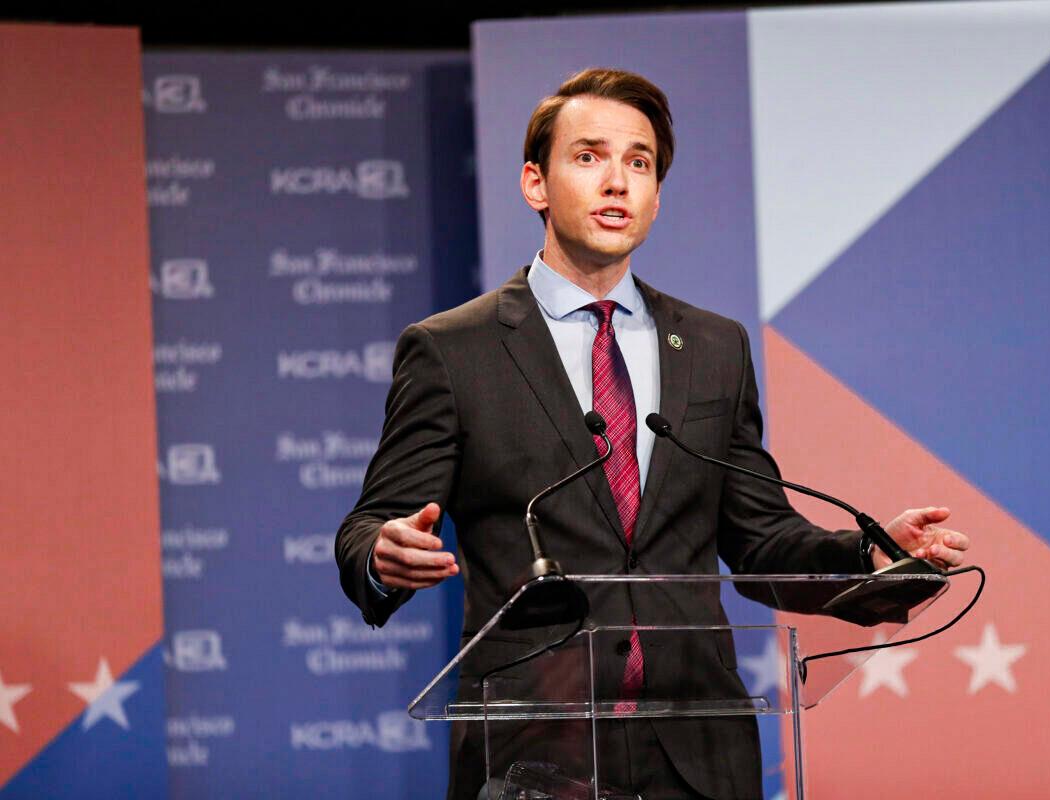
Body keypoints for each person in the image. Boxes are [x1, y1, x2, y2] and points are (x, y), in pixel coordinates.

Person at [336, 67, 970, 800]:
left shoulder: (712, 346)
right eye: (588, 157)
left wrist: (872, 555)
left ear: (657, 196)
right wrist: (384, 553)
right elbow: (368, 525)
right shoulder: (455, 349)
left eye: (638, 163)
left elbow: (760, 542)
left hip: (699, 751)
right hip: (534, 754)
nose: (617, 182)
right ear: (534, 184)